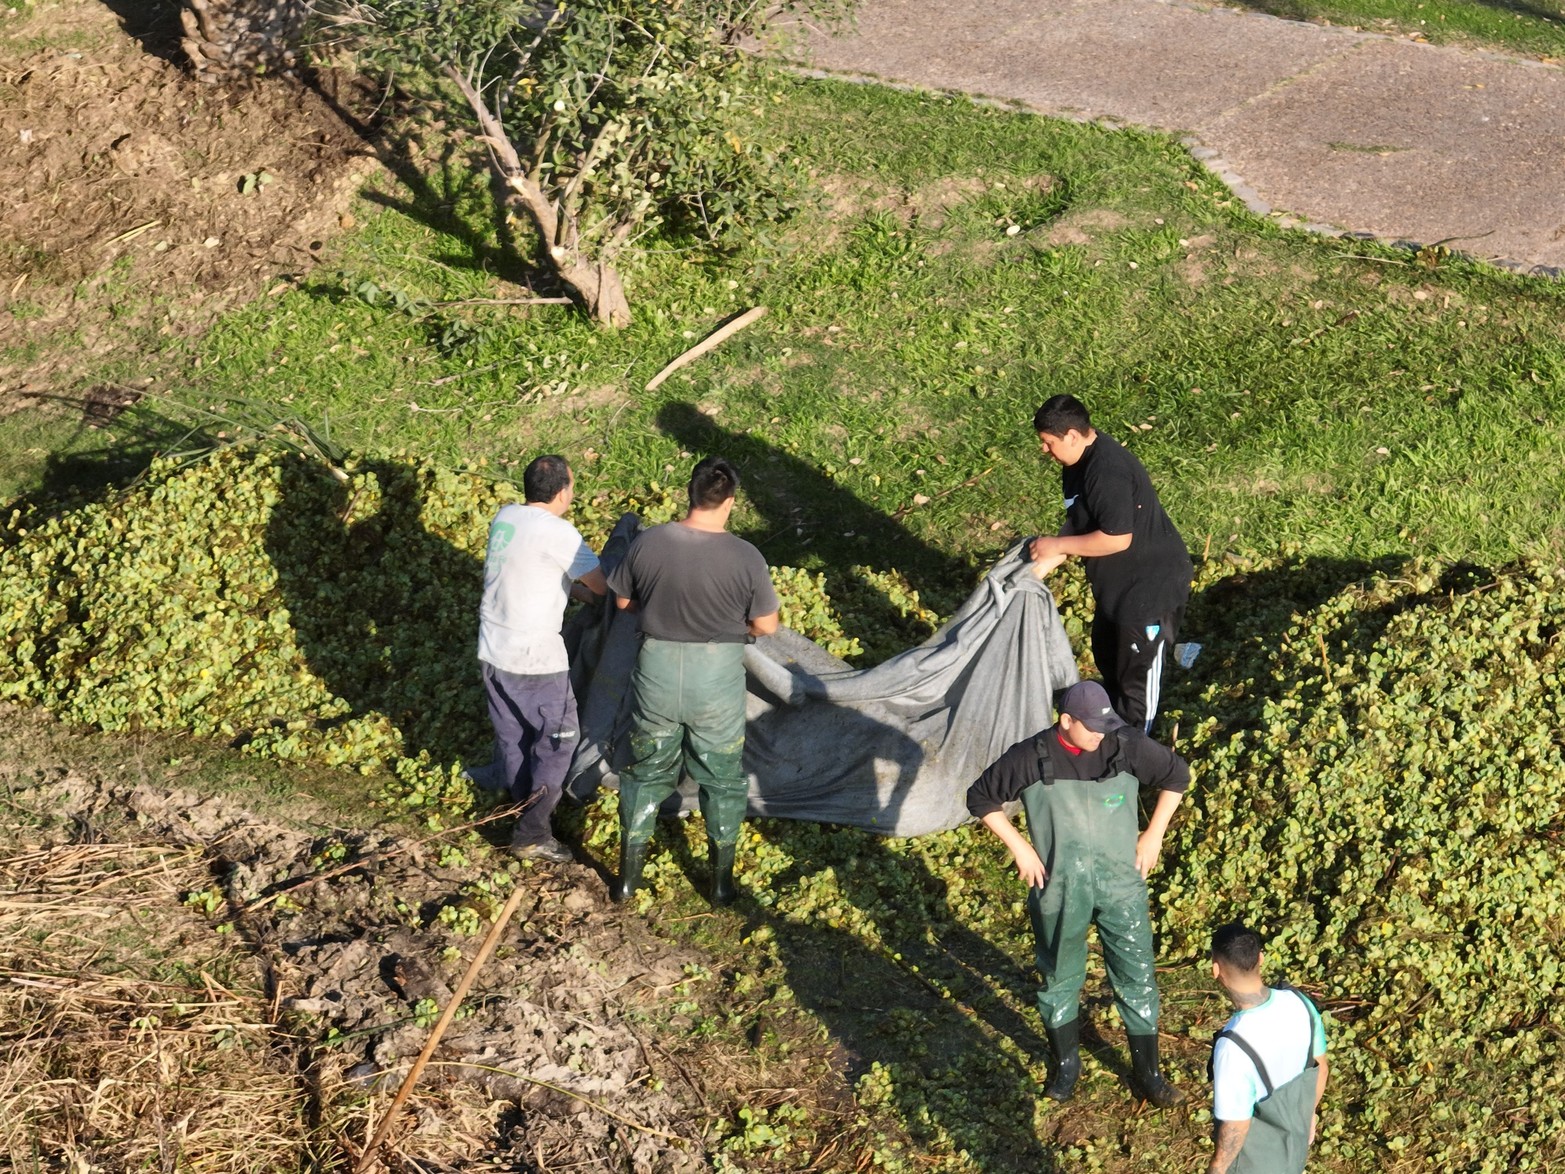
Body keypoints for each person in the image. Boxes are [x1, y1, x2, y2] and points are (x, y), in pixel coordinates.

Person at [966, 679, 1189, 1106]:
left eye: (1106, 726)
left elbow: (1176, 776)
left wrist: (1154, 834)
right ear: (1066, 721)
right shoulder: (1031, 754)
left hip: (1122, 880)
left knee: (1136, 973)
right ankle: (1066, 1065)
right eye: (1092, 728)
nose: (1101, 735)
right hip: (1059, 885)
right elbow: (981, 798)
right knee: (1059, 974)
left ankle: (1149, 1073)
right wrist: (1021, 848)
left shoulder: (1125, 743)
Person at [606, 456, 780, 905]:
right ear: (731, 502)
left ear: (689, 493)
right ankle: (720, 884)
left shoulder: (649, 543)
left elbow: (623, 602)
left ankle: (627, 881)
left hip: (657, 672)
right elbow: (767, 626)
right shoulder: (746, 556)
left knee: (644, 775)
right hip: (715, 678)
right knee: (721, 780)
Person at [1027, 395, 1192, 733]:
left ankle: (1134, 758)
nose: (1044, 451)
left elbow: (1117, 538)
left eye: (1048, 443)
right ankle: (1109, 739)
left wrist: (1057, 545)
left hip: (1149, 591)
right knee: (1108, 658)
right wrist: (1041, 567)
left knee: (1136, 683)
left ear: (1072, 435)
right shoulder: (1075, 465)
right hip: (1117, 588)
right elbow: (1081, 522)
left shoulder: (1106, 471)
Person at [477, 454, 608, 863]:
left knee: (515, 737)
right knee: (556, 745)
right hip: (533, 660)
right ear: (564, 491)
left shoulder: (507, 517)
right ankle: (532, 834)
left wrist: (576, 591)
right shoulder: (560, 533)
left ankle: (517, 806)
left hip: (492, 649)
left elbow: (541, 574)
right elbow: (602, 587)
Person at [1208, 922, 1329, 1174]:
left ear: (1215, 969)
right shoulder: (1300, 1003)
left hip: (1255, 1162)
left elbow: (1235, 1125)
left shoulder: (1233, 1046)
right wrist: (1310, 1116)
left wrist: (1217, 1169)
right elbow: (1321, 1068)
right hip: (1293, 1147)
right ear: (1260, 958)